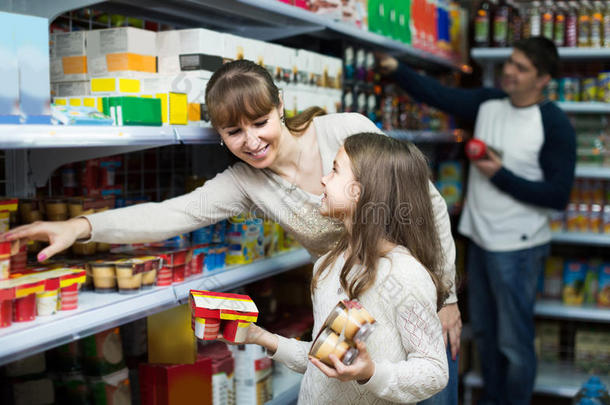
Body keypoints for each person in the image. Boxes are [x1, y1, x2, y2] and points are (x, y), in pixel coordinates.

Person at [1, 59, 459, 362]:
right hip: (346, 311)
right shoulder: (245, 183)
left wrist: (448, 297)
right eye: (234, 131)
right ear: (219, 134)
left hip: (412, 298)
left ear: (280, 107)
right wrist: (80, 225)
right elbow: (171, 214)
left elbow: (429, 205)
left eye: (260, 122)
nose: (252, 141)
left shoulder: (347, 132)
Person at [379, 37, 576, 405]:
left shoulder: (555, 124)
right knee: (484, 333)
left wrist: (498, 173)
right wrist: (395, 69)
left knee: (514, 342)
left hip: (519, 247)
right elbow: (439, 94)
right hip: (480, 240)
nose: (510, 72)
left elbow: (557, 196)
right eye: (510, 62)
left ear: (543, 79)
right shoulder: (488, 103)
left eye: (521, 68)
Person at [242, 132, 449, 404]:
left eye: (335, 170)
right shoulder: (329, 264)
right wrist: (259, 337)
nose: (323, 179)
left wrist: (370, 373)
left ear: (361, 190)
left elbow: (434, 371)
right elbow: (325, 361)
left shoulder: (405, 274)